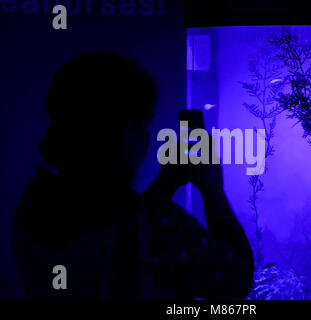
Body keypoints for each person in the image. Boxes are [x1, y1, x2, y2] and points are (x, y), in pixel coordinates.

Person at [11, 52, 254, 300]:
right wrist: (212, 189)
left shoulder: (33, 211)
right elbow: (236, 280)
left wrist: (166, 181)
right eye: (144, 123)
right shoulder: (157, 224)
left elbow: (123, 229)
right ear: (126, 128)